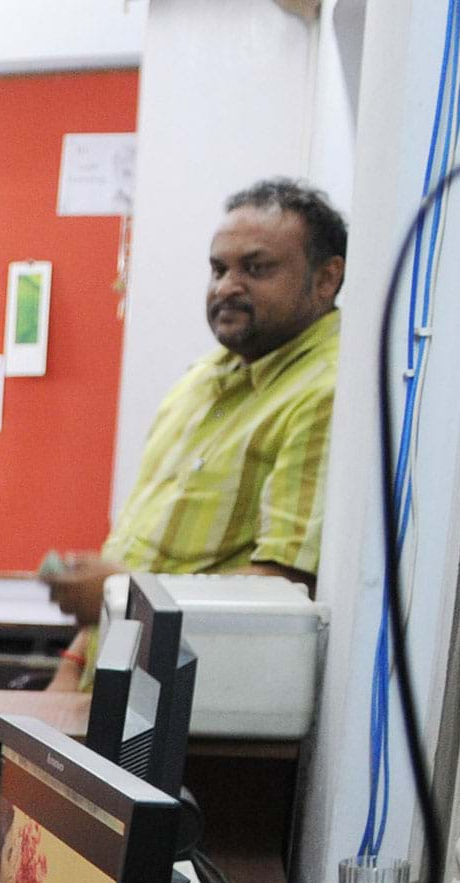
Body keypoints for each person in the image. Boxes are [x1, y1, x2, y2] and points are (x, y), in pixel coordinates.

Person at [44, 179, 346, 676]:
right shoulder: (202, 379)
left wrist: (115, 590)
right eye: (218, 268)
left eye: (256, 268)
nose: (227, 286)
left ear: (326, 279)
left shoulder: (325, 393)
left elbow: (282, 592)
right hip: (109, 685)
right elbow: (139, 548)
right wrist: (72, 667)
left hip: (193, 708)